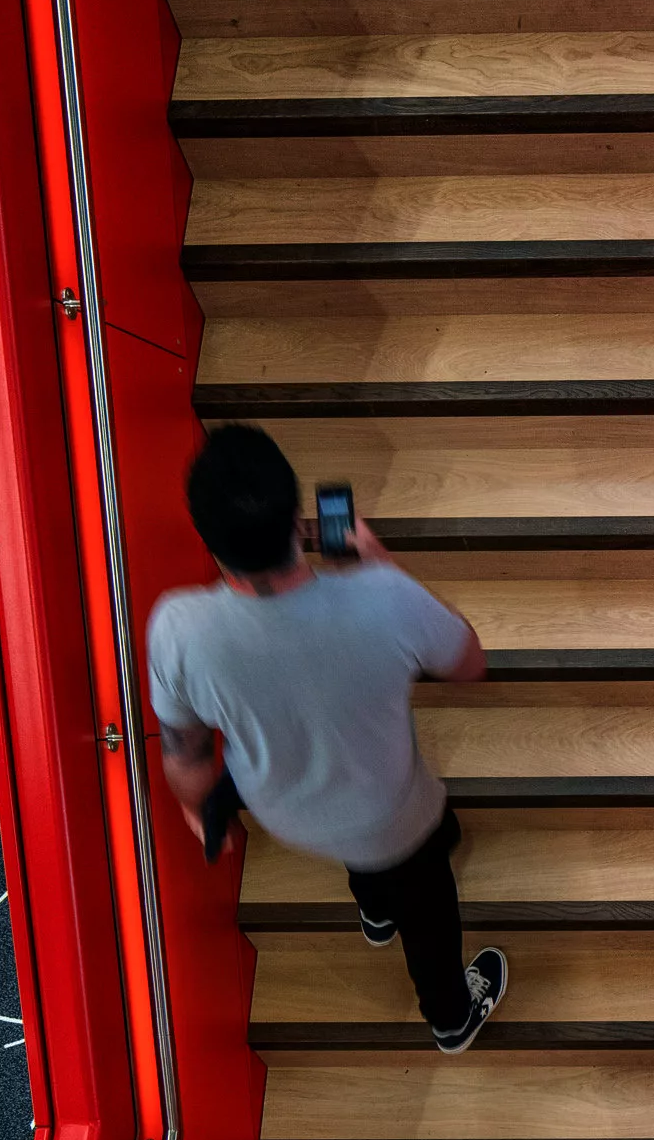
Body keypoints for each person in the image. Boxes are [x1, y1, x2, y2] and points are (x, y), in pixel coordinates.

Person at [147, 424, 507, 1055]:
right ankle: (452, 1015)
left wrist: (198, 812)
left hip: (285, 809)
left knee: (364, 850)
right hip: (388, 815)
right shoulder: (381, 598)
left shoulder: (178, 628)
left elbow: (185, 751)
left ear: (209, 541)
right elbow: (469, 663)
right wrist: (380, 568)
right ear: (298, 519)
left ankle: (373, 911)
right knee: (428, 904)